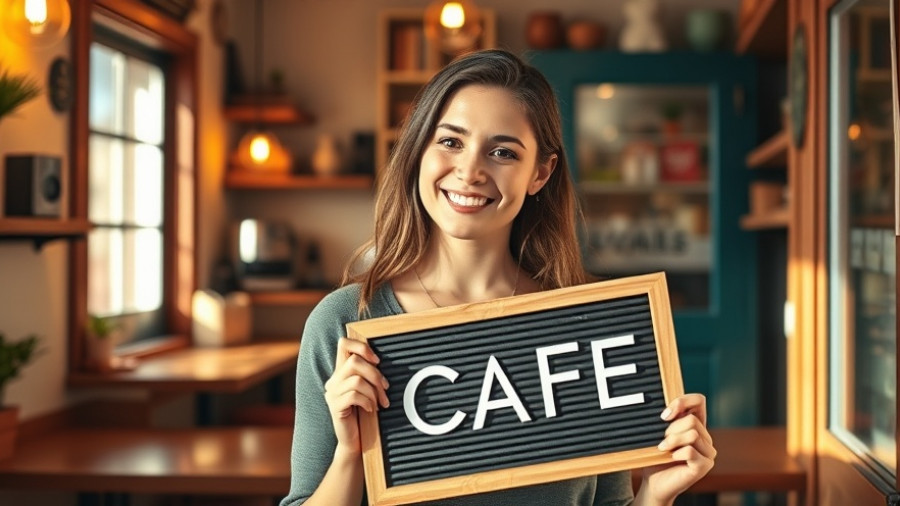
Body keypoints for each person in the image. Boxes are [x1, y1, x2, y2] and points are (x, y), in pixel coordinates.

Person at [280, 48, 716, 506]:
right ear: (418, 151)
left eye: (503, 152)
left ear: (540, 173)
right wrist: (351, 453)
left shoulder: (585, 325)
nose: (470, 171)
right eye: (450, 142)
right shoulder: (343, 323)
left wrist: (655, 496)